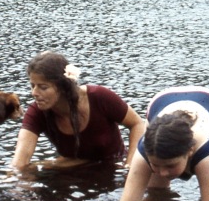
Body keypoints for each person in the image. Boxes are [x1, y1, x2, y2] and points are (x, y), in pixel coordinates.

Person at [11, 52, 145, 172]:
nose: (34, 93)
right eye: (32, 86)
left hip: (113, 169)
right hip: (73, 172)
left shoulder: (99, 97)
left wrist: (130, 167)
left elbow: (138, 124)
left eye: (43, 87)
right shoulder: (37, 112)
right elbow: (19, 162)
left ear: (63, 86)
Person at [120, 86, 209, 201]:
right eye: (155, 165)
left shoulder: (206, 152)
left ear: (190, 151)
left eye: (171, 165)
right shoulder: (145, 148)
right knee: (156, 191)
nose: (163, 173)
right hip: (160, 100)